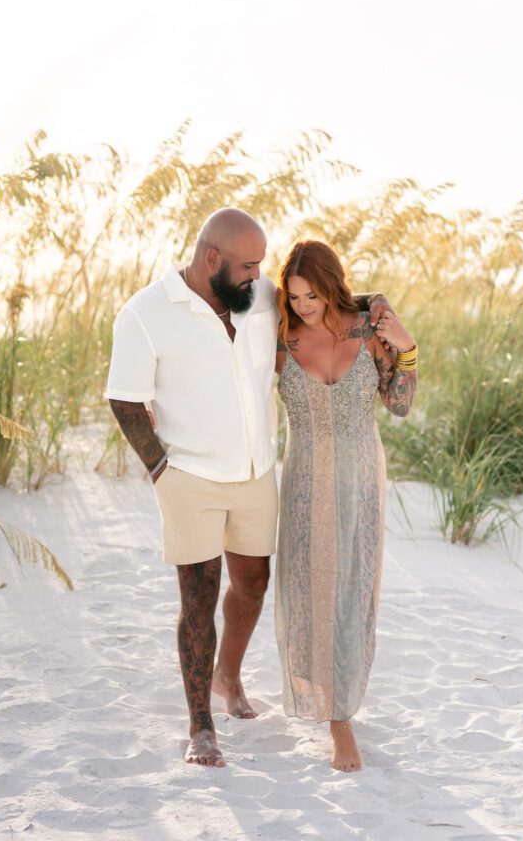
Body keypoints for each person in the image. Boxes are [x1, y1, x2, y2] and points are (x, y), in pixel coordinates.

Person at [105, 209, 391, 768]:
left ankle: (227, 675)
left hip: (257, 473)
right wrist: (158, 467)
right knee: (199, 597)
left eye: (262, 265)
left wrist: (378, 304)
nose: (259, 275)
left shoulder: (259, 300)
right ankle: (201, 728)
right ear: (212, 259)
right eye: (249, 265)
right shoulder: (145, 314)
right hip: (189, 478)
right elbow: (124, 398)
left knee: (253, 584)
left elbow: (331, 303)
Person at [274, 239, 417, 772]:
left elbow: (399, 405)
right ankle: (334, 714)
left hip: (360, 479)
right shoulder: (280, 337)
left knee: (352, 593)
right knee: (312, 591)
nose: (304, 306)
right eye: (294, 296)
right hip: (306, 480)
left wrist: (407, 346)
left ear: (333, 286)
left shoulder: (368, 328)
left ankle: (341, 717)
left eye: (311, 295)